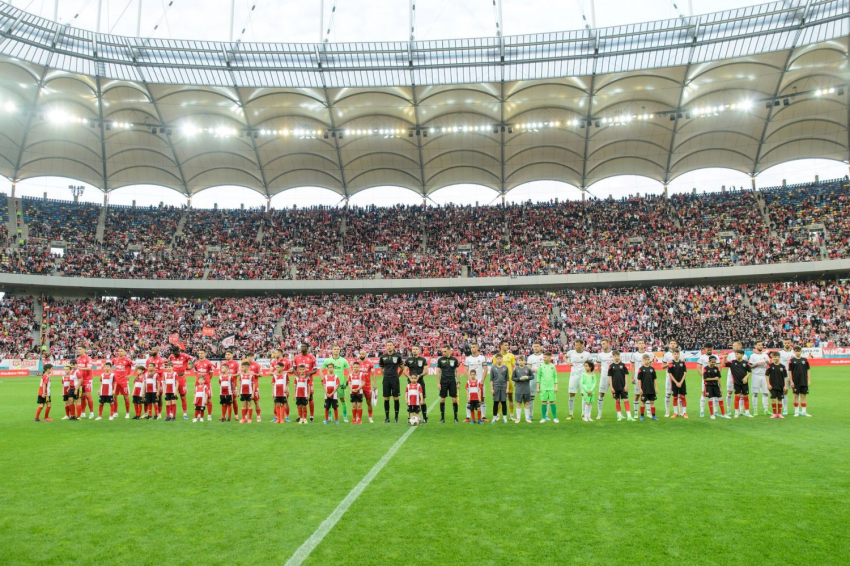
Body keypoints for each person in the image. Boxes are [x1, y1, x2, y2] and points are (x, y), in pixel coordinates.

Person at [322, 345, 350, 422]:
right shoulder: (327, 360)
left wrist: (346, 382)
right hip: (330, 385)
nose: (336, 350)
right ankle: (330, 417)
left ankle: (345, 417)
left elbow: (349, 372)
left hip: (340, 385)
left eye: (338, 349)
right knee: (329, 400)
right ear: (332, 350)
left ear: (340, 350)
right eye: (335, 349)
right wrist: (323, 380)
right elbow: (321, 371)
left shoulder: (344, 360)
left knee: (342, 399)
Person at [566, 339, 592, 420]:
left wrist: (590, 374)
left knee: (583, 394)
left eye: (577, 345)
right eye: (575, 344)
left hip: (583, 376)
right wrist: (567, 362)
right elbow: (565, 357)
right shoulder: (571, 352)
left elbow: (591, 364)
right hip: (573, 376)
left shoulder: (587, 354)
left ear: (581, 346)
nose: (575, 346)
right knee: (571, 394)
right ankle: (570, 414)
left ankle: (583, 413)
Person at [379, 342, 403, 423]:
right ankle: (387, 417)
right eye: (388, 345)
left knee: (396, 398)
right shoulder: (383, 357)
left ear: (393, 346)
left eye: (390, 345)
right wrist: (384, 376)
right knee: (386, 398)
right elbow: (381, 368)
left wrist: (397, 376)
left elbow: (402, 368)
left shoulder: (397, 356)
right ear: (386, 347)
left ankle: (396, 417)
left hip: (395, 379)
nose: (389, 347)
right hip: (386, 379)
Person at [404, 345, 429, 423]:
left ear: (419, 351)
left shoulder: (423, 359)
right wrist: (409, 377)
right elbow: (405, 370)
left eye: (416, 349)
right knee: (410, 399)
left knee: (422, 400)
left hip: (420, 382)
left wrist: (419, 376)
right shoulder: (408, 360)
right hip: (411, 382)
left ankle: (425, 417)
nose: (414, 350)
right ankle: (410, 418)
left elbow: (426, 371)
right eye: (413, 349)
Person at [293, 344, 318, 422]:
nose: (302, 348)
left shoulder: (311, 357)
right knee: (299, 397)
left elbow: (315, 370)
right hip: (299, 381)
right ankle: (300, 417)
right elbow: (294, 368)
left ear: (307, 348)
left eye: (304, 347)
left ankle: (311, 416)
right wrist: (298, 376)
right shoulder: (296, 357)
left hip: (308, 380)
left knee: (310, 397)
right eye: (301, 347)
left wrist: (308, 374)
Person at [463, 343, 487, 422]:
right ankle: (468, 417)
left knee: (482, 399)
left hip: (479, 382)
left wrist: (482, 380)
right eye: (471, 347)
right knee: (469, 399)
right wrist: (470, 380)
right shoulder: (468, 359)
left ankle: (483, 417)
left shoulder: (482, 358)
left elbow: (485, 369)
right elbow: (466, 370)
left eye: (474, 347)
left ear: (477, 348)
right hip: (471, 382)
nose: (472, 348)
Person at [436, 345, 460, 424]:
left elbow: (457, 372)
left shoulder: (454, 360)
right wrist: (438, 383)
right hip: (443, 381)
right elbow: (438, 372)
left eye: (445, 351)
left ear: (450, 351)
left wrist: (458, 382)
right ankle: (442, 418)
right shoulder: (440, 360)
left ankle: (455, 418)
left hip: (452, 381)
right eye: (443, 351)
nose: (444, 353)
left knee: (454, 399)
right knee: (442, 399)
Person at [169, 345, 194, 420]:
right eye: (173, 353)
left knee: (183, 397)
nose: (174, 354)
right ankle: (171, 413)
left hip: (181, 378)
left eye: (175, 353)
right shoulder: (171, 356)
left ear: (178, 351)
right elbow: (168, 364)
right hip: (172, 379)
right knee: (171, 397)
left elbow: (193, 359)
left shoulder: (185, 356)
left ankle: (185, 413)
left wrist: (190, 367)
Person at [609, 351, 634, 421]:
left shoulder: (623, 365)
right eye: (615, 356)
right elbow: (610, 377)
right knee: (617, 400)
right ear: (613, 357)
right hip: (615, 386)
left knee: (626, 399)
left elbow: (626, 376)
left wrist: (626, 385)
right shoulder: (611, 366)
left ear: (619, 356)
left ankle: (629, 416)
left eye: (617, 356)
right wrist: (611, 387)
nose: (616, 357)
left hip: (623, 386)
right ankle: (619, 416)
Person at [724, 341, 747, 414]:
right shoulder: (730, 355)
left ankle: (741, 410)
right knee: (729, 391)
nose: (733, 347)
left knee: (741, 393)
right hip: (731, 375)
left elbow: (746, 366)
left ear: (739, 346)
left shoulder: (745, 356)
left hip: (741, 376)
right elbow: (725, 364)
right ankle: (728, 409)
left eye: (734, 345)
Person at [630, 339, 651, 419]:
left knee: (648, 394)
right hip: (638, 378)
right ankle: (635, 413)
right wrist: (632, 377)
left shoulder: (648, 354)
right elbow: (631, 366)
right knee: (637, 395)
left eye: (642, 343)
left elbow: (651, 366)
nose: (641, 344)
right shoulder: (634, 355)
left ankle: (648, 412)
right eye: (639, 343)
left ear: (644, 345)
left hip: (647, 378)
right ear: (637, 345)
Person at [728, 350, 753, 418]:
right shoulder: (732, 362)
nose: (736, 355)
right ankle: (736, 412)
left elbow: (750, 372)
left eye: (738, 354)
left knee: (746, 397)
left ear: (742, 355)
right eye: (735, 354)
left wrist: (746, 377)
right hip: (736, 383)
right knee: (737, 397)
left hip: (744, 383)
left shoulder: (746, 363)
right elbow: (723, 365)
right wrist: (724, 358)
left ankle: (747, 412)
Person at [269, 348, 292, 423]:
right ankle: (276, 417)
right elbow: (270, 372)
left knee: (286, 401)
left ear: (280, 353)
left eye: (276, 353)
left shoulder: (286, 361)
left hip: (284, 383)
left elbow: (291, 370)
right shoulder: (273, 361)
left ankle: (287, 416)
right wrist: (274, 372)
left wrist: (284, 372)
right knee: (276, 402)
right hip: (277, 383)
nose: (275, 354)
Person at [748, 341, 770, 416]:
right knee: (755, 393)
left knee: (765, 393)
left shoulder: (766, 355)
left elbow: (770, 365)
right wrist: (757, 364)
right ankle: (755, 410)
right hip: (755, 375)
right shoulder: (753, 356)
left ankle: (766, 410)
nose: (761, 346)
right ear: (755, 346)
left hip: (764, 375)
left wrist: (768, 363)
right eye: (759, 345)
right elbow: (750, 366)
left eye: (761, 345)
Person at [789, 346, 812, 417]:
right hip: (796, 381)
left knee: (803, 396)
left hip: (804, 381)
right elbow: (790, 371)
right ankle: (796, 411)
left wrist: (809, 380)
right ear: (794, 352)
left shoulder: (805, 360)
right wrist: (791, 381)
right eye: (796, 351)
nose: (797, 352)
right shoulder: (792, 361)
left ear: (801, 352)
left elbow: (808, 370)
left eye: (799, 351)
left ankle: (804, 412)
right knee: (795, 396)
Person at [536, 352, 559, 423]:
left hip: (551, 387)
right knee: (544, 402)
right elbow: (538, 377)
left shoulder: (553, 366)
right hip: (543, 387)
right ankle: (543, 418)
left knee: (552, 402)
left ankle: (555, 417)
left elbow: (555, 376)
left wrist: (556, 386)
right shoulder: (541, 366)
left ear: (549, 358)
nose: (544, 359)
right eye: (543, 357)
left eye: (545, 357)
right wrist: (538, 387)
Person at [193, 349, 215, 422]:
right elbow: (196, 373)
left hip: (206, 383)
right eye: (199, 353)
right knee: (198, 398)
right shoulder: (196, 363)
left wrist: (206, 380)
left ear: (205, 354)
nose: (200, 354)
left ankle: (209, 415)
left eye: (202, 353)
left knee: (208, 399)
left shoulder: (208, 363)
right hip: (198, 383)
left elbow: (211, 374)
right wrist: (199, 380)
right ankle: (199, 414)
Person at [111, 348, 133, 419]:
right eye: (119, 351)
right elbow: (110, 366)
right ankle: (115, 412)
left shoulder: (128, 360)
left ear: (125, 352)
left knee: (125, 397)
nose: (119, 352)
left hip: (124, 381)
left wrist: (130, 375)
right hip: (116, 381)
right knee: (114, 396)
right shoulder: (115, 360)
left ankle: (127, 413)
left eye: (121, 351)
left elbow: (137, 367)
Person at [766, 351, 789, 419]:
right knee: (773, 399)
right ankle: (774, 413)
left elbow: (785, 377)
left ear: (779, 357)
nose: (774, 358)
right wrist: (768, 384)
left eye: (776, 357)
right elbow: (767, 375)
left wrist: (785, 385)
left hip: (780, 385)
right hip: (772, 386)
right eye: (773, 357)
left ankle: (779, 413)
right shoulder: (770, 366)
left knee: (780, 399)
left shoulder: (783, 367)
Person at [636, 354, 659, 421]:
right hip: (644, 389)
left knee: (652, 402)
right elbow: (639, 380)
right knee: (643, 402)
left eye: (648, 359)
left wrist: (656, 388)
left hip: (651, 389)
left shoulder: (652, 369)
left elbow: (655, 379)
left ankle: (653, 416)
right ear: (643, 360)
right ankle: (642, 416)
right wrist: (640, 389)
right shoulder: (641, 369)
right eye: (645, 359)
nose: (647, 361)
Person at [512, 356, 534, 423]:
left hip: (526, 389)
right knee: (518, 403)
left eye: (522, 360)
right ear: (517, 361)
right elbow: (513, 378)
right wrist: (519, 379)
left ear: (524, 361)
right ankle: (518, 418)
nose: (521, 361)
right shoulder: (516, 369)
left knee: (527, 403)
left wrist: (527, 377)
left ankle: (527, 418)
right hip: (518, 389)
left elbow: (532, 376)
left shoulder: (527, 369)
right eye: (519, 360)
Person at [220, 350, 240, 422]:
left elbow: (239, 373)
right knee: (224, 401)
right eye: (226, 354)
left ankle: (236, 415)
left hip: (233, 385)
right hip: (224, 386)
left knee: (234, 400)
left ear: (232, 355)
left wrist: (231, 375)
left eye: (228, 354)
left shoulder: (235, 363)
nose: (227, 356)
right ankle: (224, 416)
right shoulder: (223, 363)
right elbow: (221, 374)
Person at [489, 353, 510, 424]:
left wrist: (507, 388)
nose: (499, 360)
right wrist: (491, 389)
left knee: (504, 402)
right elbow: (491, 380)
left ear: (502, 359)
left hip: (503, 387)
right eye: (497, 358)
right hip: (496, 387)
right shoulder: (493, 368)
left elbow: (507, 379)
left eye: (500, 358)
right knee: (496, 403)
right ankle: (494, 418)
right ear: (495, 359)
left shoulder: (505, 368)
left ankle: (505, 418)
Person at [355, 351, 375, 423]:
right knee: (358, 402)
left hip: (367, 385)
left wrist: (375, 383)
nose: (361, 355)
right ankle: (358, 418)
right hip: (359, 385)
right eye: (360, 354)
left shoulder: (369, 363)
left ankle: (370, 417)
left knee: (368, 402)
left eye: (363, 354)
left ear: (366, 355)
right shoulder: (357, 363)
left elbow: (373, 374)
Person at [596, 339, 614, 420]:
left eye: (604, 343)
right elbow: (599, 367)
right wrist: (603, 374)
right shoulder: (600, 355)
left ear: (608, 344)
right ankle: (599, 414)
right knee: (601, 394)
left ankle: (619, 413)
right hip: (604, 376)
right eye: (602, 344)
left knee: (617, 394)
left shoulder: (613, 353)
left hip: (614, 376)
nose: (602, 345)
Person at [667, 349, 688, 419]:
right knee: (675, 397)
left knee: (683, 397)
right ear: (673, 355)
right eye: (675, 354)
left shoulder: (682, 363)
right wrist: (676, 382)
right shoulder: (671, 363)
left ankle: (684, 413)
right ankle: (675, 413)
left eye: (677, 354)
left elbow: (685, 373)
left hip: (682, 383)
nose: (676, 355)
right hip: (674, 383)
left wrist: (681, 382)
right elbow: (670, 374)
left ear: (679, 355)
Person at [660, 340, 679, 417]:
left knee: (679, 394)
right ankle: (667, 412)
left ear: (676, 344)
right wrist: (668, 364)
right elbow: (662, 366)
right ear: (669, 345)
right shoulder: (667, 355)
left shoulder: (680, 354)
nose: (673, 345)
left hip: (678, 376)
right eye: (671, 343)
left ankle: (680, 412)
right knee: (668, 394)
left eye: (674, 343)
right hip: (669, 376)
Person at [498, 341, 517, 417]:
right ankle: (498, 415)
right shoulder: (496, 356)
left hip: (509, 380)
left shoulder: (511, 355)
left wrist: (514, 378)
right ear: (501, 346)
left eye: (507, 345)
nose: (507, 346)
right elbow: (493, 368)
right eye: (505, 345)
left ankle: (512, 415)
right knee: (499, 399)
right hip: (499, 381)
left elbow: (514, 367)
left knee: (510, 397)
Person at [76, 346, 95, 419]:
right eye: (78, 349)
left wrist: (80, 368)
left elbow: (89, 368)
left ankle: (91, 413)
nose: (78, 350)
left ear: (84, 350)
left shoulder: (88, 358)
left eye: (80, 349)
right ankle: (83, 412)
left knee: (88, 396)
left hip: (88, 380)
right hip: (81, 380)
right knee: (82, 397)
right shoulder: (77, 359)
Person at [696, 344, 714, 417]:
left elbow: (718, 367)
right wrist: (703, 376)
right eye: (707, 349)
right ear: (705, 349)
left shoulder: (715, 357)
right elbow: (698, 368)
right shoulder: (702, 357)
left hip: (714, 379)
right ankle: (702, 411)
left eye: (710, 348)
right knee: (704, 394)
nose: (709, 350)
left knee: (714, 394)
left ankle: (715, 411)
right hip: (706, 379)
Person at [526, 343, 543, 419]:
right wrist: (536, 370)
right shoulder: (530, 357)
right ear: (532, 348)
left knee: (545, 396)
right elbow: (528, 367)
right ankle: (530, 414)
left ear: (540, 347)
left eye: (537, 346)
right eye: (534, 346)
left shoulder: (544, 356)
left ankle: (545, 415)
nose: (536, 348)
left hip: (543, 378)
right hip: (533, 378)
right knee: (531, 396)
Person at [777, 339, 795, 415]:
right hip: (783, 375)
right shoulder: (780, 353)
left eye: (788, 343)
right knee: (785, 392)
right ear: (783, 343)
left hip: (793, 374)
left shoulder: (794, 352)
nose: (787, 344)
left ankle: (796, 410)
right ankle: (785, 409)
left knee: (795, 392)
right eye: (785, 343)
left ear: (791, 343)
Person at [245, 352, 263, 423]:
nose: (249, 358)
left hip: (254, 385)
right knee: (246, 401)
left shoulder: (256, 365)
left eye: (250, 356)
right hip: (246, 385)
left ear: (252, 357)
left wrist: (254, 374)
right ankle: (246, 416)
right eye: (248, 356)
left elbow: (261, 374)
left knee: (256, 401)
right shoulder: (244, 364)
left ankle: (258, 416)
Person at [348, 360, 365, 425]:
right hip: (352, 392)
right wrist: (352, 389)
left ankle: (359, 419)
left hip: (359, 392)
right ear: (353, 367)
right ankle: (354, 419)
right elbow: (349, 383)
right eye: (354, 367)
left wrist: (358, 389)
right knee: (354, 406)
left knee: (359, 406)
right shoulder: (350, 375)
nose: (355, 368)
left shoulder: (361, 374)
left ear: (359, 367)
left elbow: (363, 383)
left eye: (357, 367)